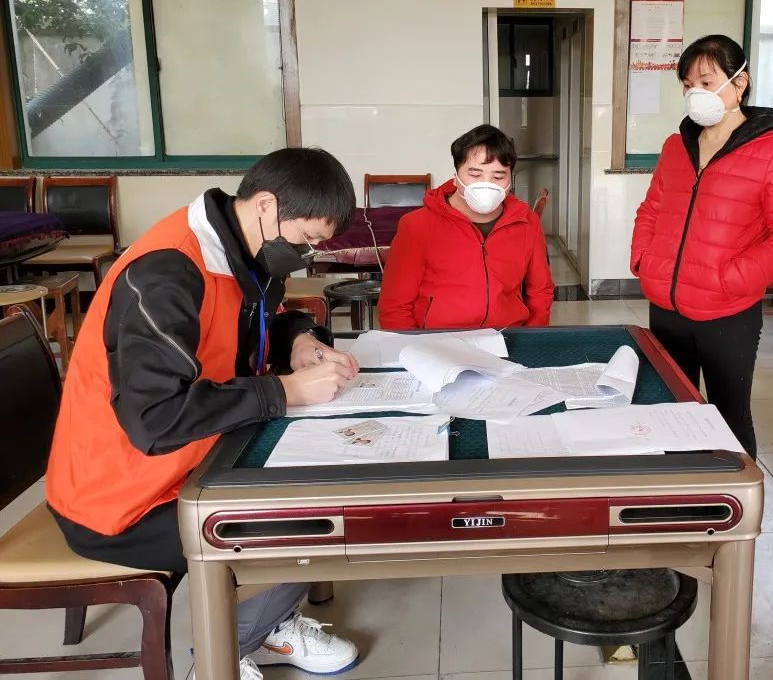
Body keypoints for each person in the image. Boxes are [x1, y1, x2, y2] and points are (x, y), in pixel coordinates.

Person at [45, 148, 365, 679]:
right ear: (266, 204)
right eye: (307, 238)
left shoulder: (244, 249)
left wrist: (299, 340)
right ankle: (222, 655)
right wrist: (284, 392)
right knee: (308, 528)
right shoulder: (167, 271)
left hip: (197, 460)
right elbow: (156, 420)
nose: (308, 252)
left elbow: (256, 325)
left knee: (327, 487)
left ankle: (265, 621)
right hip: (121, 496)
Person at [630, 35, 773, 457]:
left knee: (728, 416)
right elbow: (652, 208)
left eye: (707, 81)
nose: (696, 92)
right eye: (688, 83)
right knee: (673, 409)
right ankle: (680, 503)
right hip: (668, 306)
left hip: (727, 312)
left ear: (740, 82)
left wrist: (732, 279)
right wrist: (644, 259)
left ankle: (736, 505)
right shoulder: (677, 146)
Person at [377, 124, 554, 329]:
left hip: (507, 338)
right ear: (456, 175)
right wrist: (412, 351)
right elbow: (395, 306)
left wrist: (532, 340)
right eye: (475, 174)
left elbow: (540, 291)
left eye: (498, 177)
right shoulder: (417, 226)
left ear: (509, 180)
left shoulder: (527, 223)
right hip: (437, 342)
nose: (486, 184)